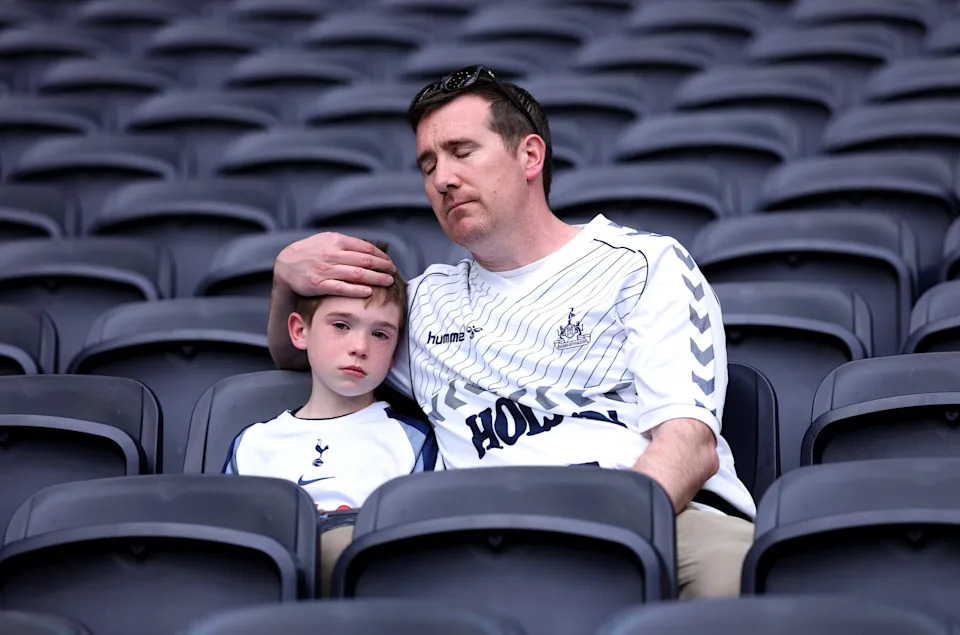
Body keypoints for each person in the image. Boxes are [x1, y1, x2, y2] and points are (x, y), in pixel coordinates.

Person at [267, 65, 755, 598]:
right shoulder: (425, 302)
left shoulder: (643, 264)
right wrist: (284, 278)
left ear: (530, 156)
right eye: (427, 164)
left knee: (729, 570)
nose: (442, 179)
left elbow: (689, 444)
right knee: (323, 553)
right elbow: (308, 355)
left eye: (461, 151)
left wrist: (606, 534)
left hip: (653, 516)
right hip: (480, 528)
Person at [224, 249, 436, 593]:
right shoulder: (253, 442)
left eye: (380, 334)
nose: (359, 347)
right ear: (299, 331)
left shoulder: (412, 440)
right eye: (341, 325)